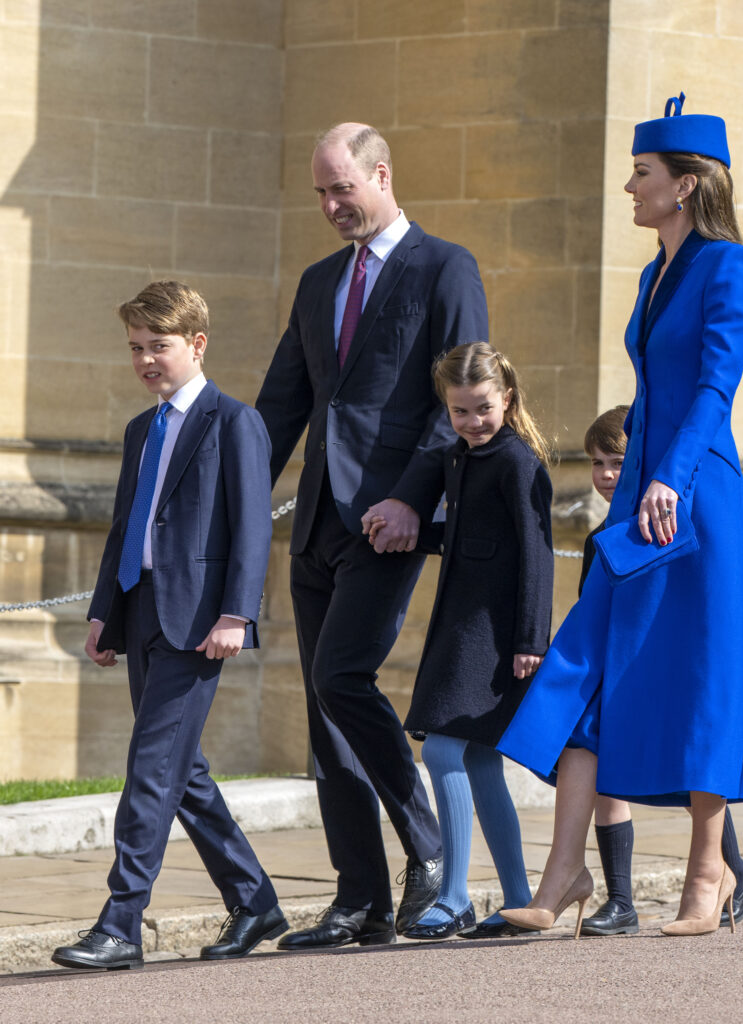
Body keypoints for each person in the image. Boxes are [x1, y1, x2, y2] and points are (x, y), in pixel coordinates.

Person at [498, 94, 743, 940]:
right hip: (642, 499)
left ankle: (708, 874)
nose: (628, 186)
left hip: (696, 500)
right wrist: (636, 486)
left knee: (704, 677)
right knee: (582, 665)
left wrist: (669, 481)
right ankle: (563, 874)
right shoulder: (655, 274)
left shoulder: (729, 266)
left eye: (641, 173)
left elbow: (714, 388)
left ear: (684, 184)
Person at [255, 123, 489, 950]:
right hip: (317, 519)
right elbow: (282, 404)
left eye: (341, 189)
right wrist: (227, 498)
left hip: (391, 519)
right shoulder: (318, 281)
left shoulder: (444, 267)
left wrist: (411, 498)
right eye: (320, 193)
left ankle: (429, 851)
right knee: (325, 709)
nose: (330, 206)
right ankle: (360, 898)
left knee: (342, 676)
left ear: (381, 175)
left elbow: (458, 398)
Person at [52, 282, 286, 971]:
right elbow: (125, 525)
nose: (146, 360)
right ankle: (254, 900)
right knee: (183, 773)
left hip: (199, 622)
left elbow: (252, 527)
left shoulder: (233, 422)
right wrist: (104, 612)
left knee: (151, 768)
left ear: (197, 344)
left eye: (159, 346)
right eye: (135, 348)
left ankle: (121, 923)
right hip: (141, 609)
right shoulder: (141, 428)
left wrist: (237, 613)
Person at [367, 343, 554, 941]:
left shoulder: (519, 461)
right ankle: (519, 900)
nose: (473, 421)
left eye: (483, 408)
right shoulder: (458, 456)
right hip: (458, 623)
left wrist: (532, 639)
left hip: (495, 634)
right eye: (459, 411)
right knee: (478, 760)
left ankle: (454, 897)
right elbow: (469, 535)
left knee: (444, 751)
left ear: (508, 399)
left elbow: (538, 554)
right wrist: (407, 531)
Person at [578, 406, 743, 937]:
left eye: (617, 462)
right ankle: (621, 899)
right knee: (601, 762)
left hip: (653, 665)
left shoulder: (660, 525)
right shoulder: (598, 533)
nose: (606, 474)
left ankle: (732, 870)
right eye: (597, 463)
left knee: (690, 766)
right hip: (611, 664)